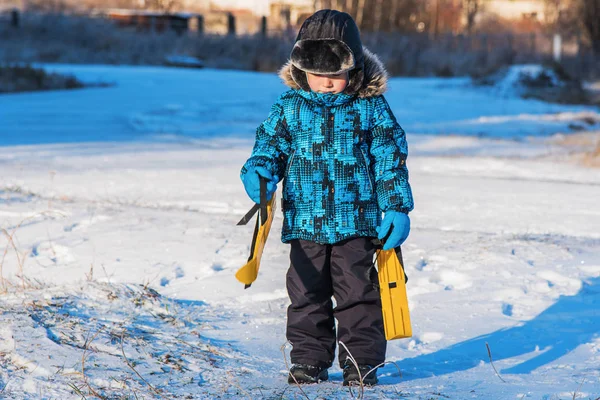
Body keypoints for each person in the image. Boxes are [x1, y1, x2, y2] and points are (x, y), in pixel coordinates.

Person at [240, 9, 414, 386]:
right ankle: (309, 361)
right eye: (319, 74)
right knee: (306, 296)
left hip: (358, 222)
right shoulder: (290, 107)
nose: (327, 82)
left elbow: (389, 158)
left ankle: (360, 362)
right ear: (302, 68)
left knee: (359, 294)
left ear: (353, 66)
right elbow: (270, 146)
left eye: (335, 74)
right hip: (305, 222)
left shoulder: (370, 107)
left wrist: (396, 206)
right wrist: (259, 171)